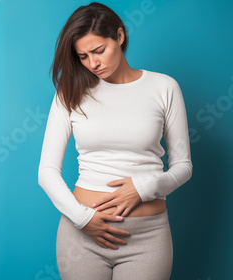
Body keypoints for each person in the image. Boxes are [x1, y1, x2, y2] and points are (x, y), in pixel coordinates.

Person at [37, 2, 193, 279]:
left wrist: (145, 187)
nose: (93, 63)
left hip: (148, 237)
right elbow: (46, 172)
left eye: (99, 51)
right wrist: (84, 219)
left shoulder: (164, 87)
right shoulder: (70, 92)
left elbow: (183, 166)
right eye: (83, 56)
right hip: (81, 236)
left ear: (119, 37)